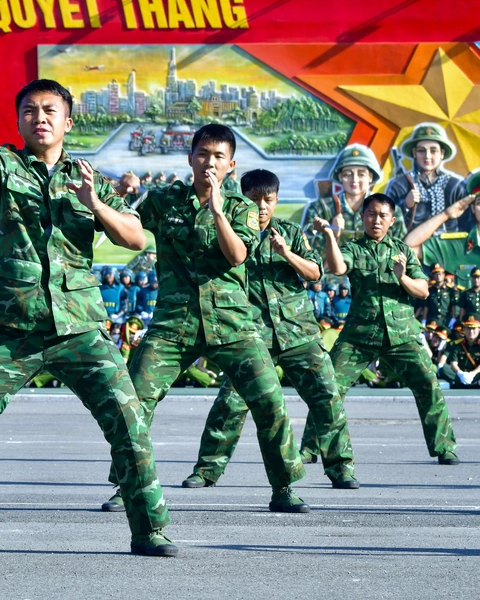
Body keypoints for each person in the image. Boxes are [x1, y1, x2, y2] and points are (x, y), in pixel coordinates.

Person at [0, 70, 175, 557]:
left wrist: (95, 204)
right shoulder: (6, 167)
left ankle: (149, 529)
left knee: (129, 421)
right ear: (20, 121)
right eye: (30, 111)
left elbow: (134, 237)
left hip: (79, 329)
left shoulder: (90, 180)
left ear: (68, 122)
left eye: (50, 111)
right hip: (12, 329)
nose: (40, 118)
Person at [112, 124, 309, 514]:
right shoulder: (164, 200)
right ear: (190, 158)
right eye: (203, 154)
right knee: (134, 399)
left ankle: (283, 486)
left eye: (219, 157)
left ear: (231, 164)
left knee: (269, 399)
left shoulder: (243, 209)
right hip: (174, 322)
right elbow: (126, 230)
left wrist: (218, 209)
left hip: (232, 323)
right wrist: (119, 196)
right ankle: (125, 485)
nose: (210, 163)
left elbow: (236, 255)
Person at [182, 169, 357, 491]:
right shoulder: (228, 235)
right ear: (242, 199)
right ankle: (207, 470)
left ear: (277, 201)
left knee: (327, 398)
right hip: (251, 335)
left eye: (269, 200)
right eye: (254, 200)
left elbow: (315, 274)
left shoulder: (289, 232)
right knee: (231, 404)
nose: (262, 207)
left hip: (298, 332)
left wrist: (286, 253)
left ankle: (340, 468)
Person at [303, 194, 459, 465]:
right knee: (329, 387)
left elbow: (422, 291)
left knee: (427, 383)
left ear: (392, 220)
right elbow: (338, 267)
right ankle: (309, 448)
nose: (376, 220)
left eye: (382, 215)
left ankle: (444, 447)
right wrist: (329, 235)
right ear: (363, 217)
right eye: (371, 214)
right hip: (359, 336)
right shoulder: (354, 248)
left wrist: (402, 276)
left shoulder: (403, 251)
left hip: (401, 335)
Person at [303, 144, 405, 250]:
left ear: (370, 177)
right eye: (347, 174)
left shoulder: (390, 211)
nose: (354, 180)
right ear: (340, 177)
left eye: (361, 174)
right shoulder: (320, 209)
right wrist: (332, 235)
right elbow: (308, 253)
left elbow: (401, 251)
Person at [385, 123, 466, 233]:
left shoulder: (455, 186)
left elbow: (468, 224)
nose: (427, 156)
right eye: (421, 151)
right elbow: (384, 223)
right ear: (414, 153)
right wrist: (405, 206)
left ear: (442, 153)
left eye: (433, 151)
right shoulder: (399, 185)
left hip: (446, 247)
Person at [442, 316, 480, 387]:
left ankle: (463, 383)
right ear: (464, 329)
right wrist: (460, 374)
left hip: (476, 374)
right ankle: (467, 383)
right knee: (444, 369)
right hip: (461, 374)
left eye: (473, 328)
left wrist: (472, 374)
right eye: (468, 328)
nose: (471, 331)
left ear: (479, 329)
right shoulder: (457, 344)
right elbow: (453, 363)